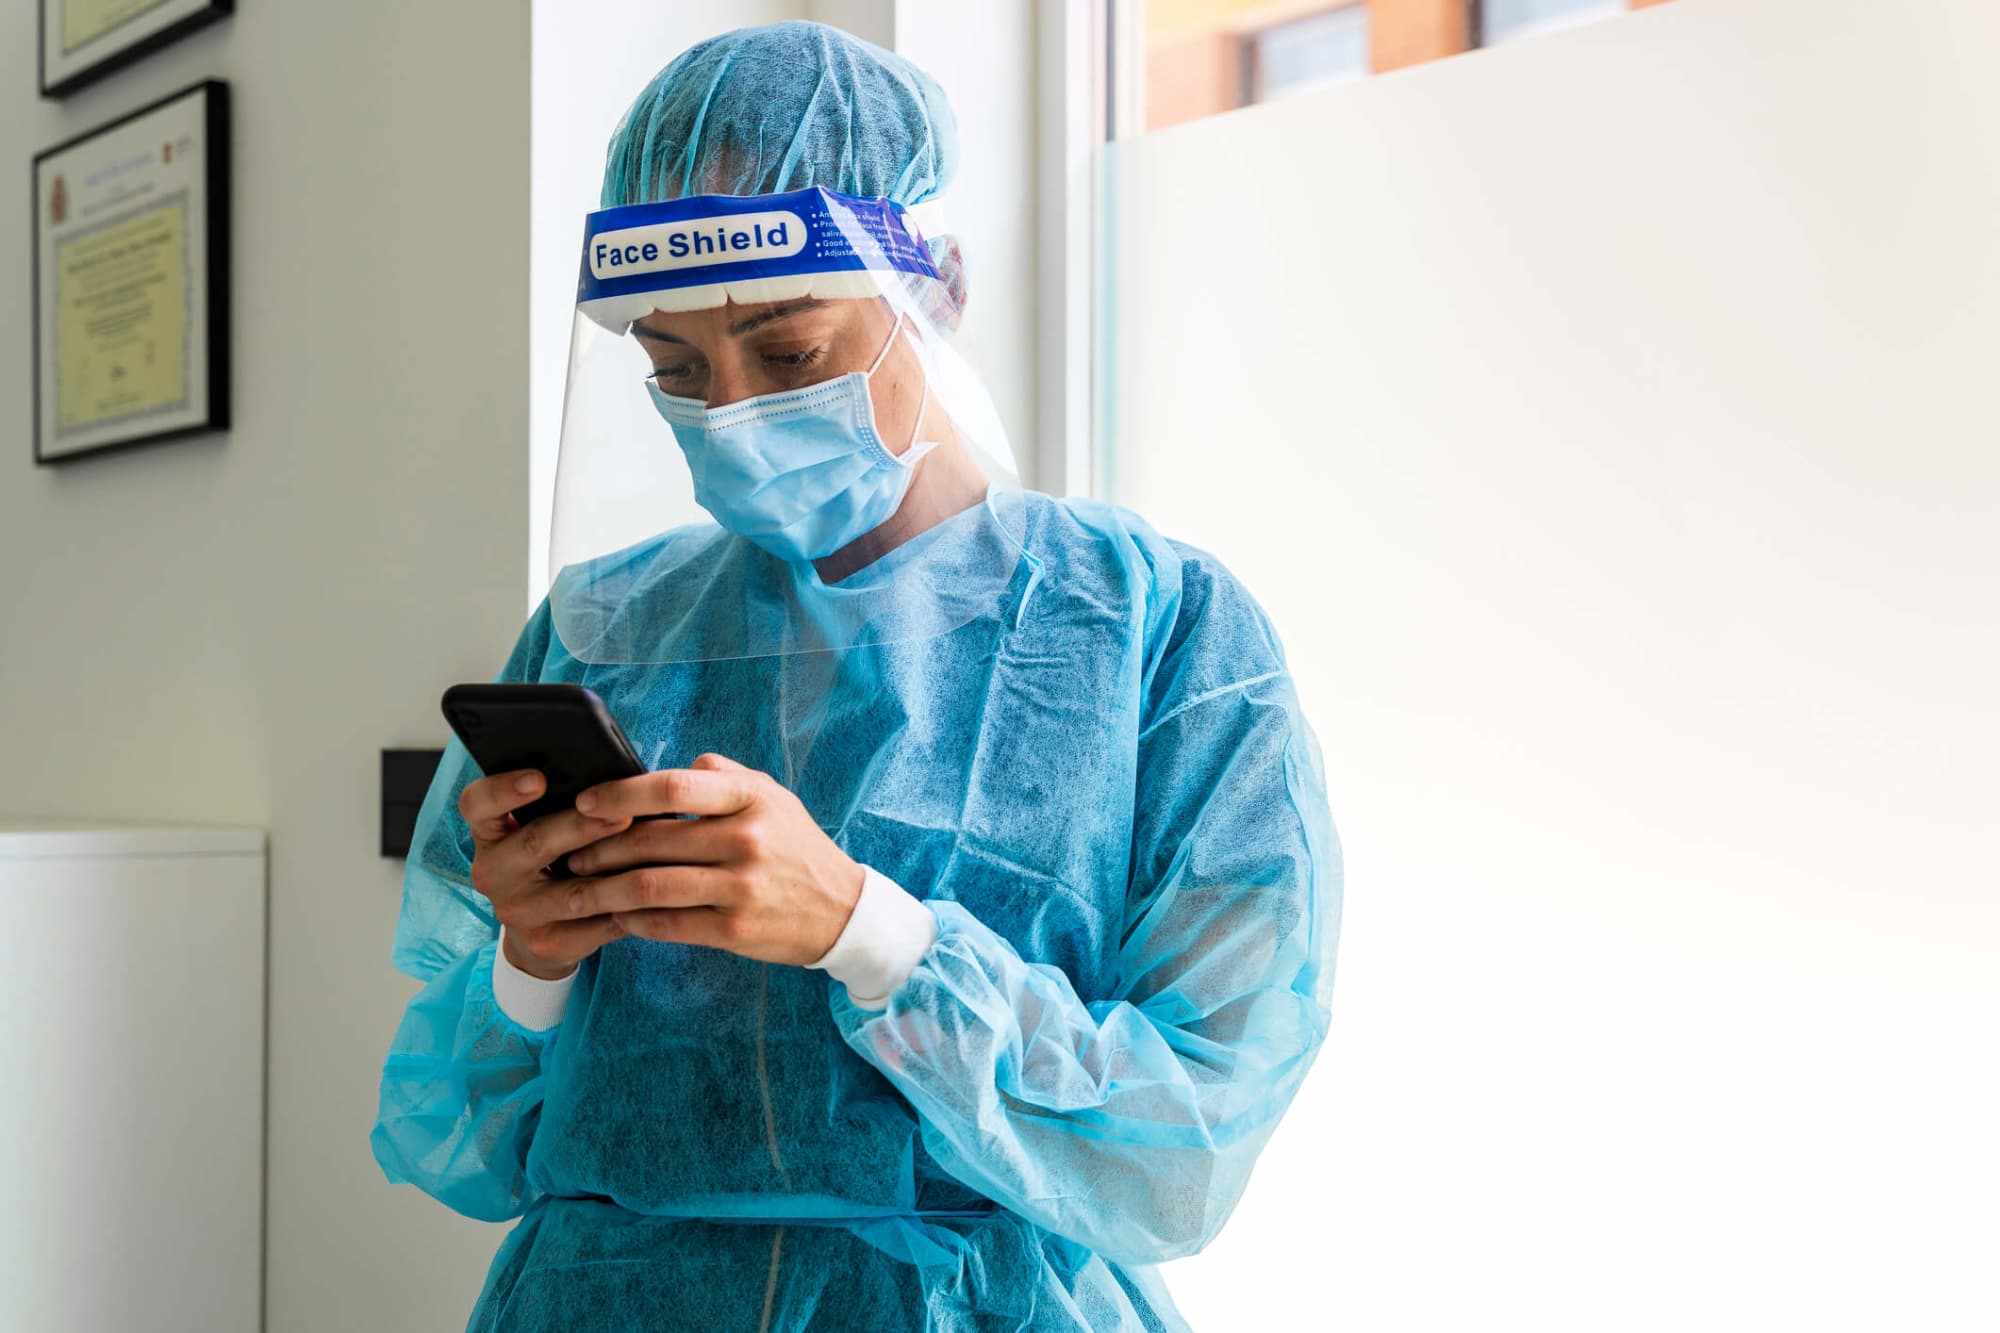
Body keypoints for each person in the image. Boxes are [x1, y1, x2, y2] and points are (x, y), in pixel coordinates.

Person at [372, 21, 1340, 1332]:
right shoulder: (603, 625)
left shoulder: (1156, 631)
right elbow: (465, 1143)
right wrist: (534, 959)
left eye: (789, 353)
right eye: (674, 368)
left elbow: (1187, 1143)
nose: (731, 409)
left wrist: (863, 928)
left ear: (934, 285)